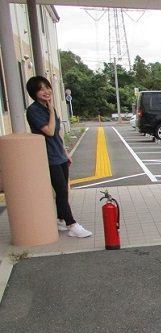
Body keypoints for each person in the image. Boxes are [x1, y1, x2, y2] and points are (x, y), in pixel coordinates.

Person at [25, 76, 92, 238]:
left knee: (63, 192)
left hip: (59, 155)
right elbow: (48, 130)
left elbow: (57, 135)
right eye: (41, 89)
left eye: (47, 87)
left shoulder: (49, 108)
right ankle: (72, 225)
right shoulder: (33, 110)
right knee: (61, 191)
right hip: (48, 157)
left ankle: (61, 219)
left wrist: (65, 152)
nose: (46, 91)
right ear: (34, 93)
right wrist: (51, 110)